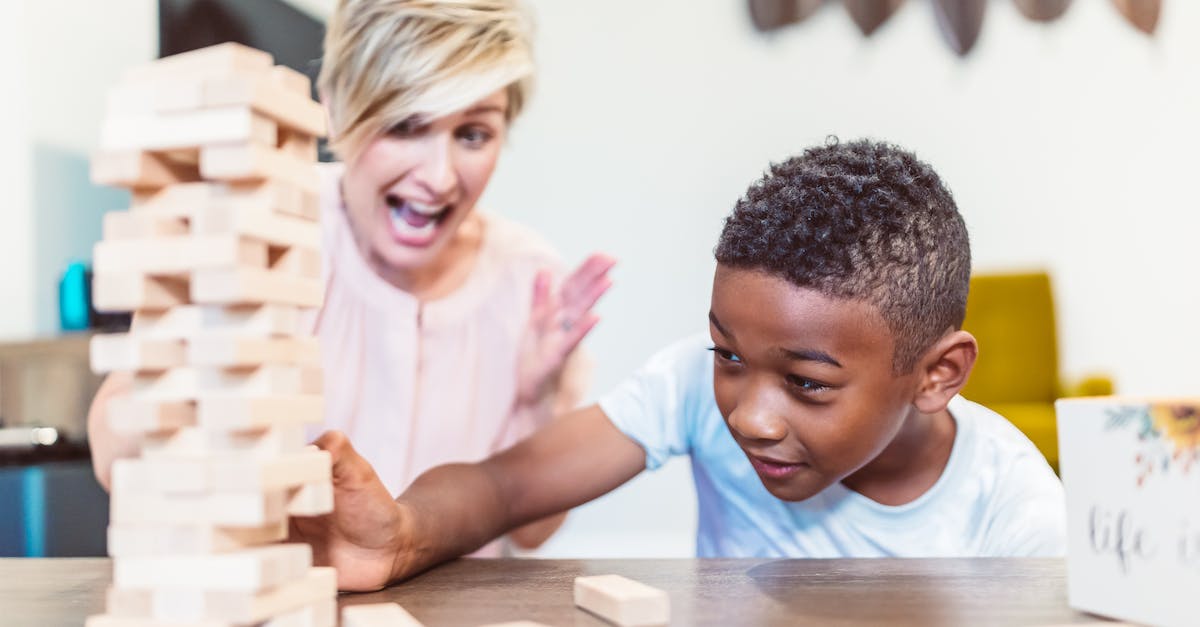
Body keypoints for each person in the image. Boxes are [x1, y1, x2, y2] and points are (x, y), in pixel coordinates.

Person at [291, 139, 1068, 591]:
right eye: (727, 352)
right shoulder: (695, 389)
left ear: (938, 374)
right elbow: (505, 485)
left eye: (807, 383)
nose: (749, 415)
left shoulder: (1019, 512)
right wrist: (398, 535)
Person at [86, 0, 615, 551]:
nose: (438, 178)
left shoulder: (531, 282)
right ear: (334, 110)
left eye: (474, 134)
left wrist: (534, 397)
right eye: (406, 124)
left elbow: (533, 531)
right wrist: (199, 350)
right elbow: (114, 457)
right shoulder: (262, 222)